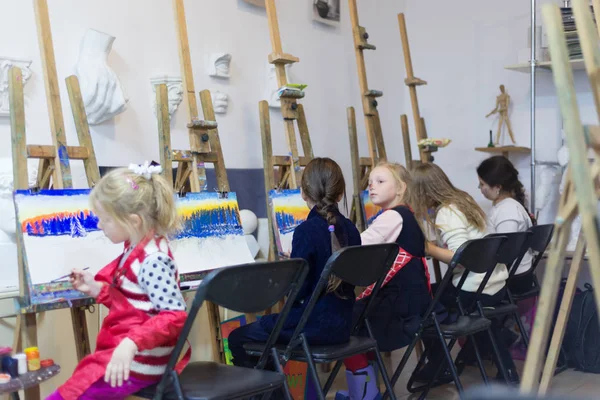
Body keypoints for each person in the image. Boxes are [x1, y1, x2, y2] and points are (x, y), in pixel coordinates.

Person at [47, 162, 189, 400]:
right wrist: (95, 288)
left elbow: (174, 316)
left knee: (66, 396)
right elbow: (134, 302)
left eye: (105, 219)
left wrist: (130, 344)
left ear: (133, 220)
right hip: (129, 352)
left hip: (139, 362)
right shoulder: (136, 248)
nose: (99, 225)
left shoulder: (153, 260)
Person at [228, 158, 361, 369]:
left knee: (238, 338)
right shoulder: (352, 230)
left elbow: (298, 293)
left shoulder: (305, 232)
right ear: (340, 193)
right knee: (266, 340)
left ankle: (269, 393)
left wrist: (291, 268)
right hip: (343, 325)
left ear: (303, 193)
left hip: (310, 327)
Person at [410, 163, 518, 384]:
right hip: (495, 284)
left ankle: (440, 368)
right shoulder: (463, 200)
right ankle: (499, 362)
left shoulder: (446, 212)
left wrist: (427, 248)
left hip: (476, 289)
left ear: (422, 192)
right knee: (433, 294)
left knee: (420, 303)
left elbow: (461, 258)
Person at [336, 163, 435, 400]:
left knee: (341, 325)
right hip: (415, 302)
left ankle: (365, 394)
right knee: (357, 323)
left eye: (380, 181)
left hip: (399, 305)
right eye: (370, 181)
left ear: (401, 188)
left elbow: (356, 248)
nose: (371, 186)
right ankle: (366, 390)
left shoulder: (391, 217)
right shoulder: (406, 213)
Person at [477, 156, 535, 294]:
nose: (480, 188)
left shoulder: (507, 211)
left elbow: (506, 253)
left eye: (482, 184)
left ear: (497, 187)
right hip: (515, 274)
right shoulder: (506, 206)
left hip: (514, 279)